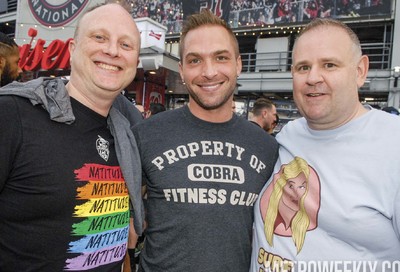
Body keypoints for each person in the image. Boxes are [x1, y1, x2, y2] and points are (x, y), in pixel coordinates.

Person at [0, 3, 145, 271]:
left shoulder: (129, 137)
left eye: (126, 45)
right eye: (99, 37)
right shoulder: (12, 115)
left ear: (135, 63)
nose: (112, 51)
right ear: (73, 49)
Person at [133, 9, 279, 272]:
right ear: (182, 69)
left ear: (238, 64)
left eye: (220, 57)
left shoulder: (267, 148)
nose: (209, 72)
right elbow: (123, 221)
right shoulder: (146, 135)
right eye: (195, 60)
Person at [251, 18, 400, 271]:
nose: (313, 78)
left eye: (329, 65)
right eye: (302, 67)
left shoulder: (393, 144)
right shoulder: (290, 134)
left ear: (360, 71)